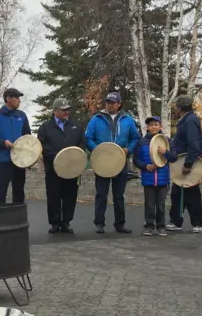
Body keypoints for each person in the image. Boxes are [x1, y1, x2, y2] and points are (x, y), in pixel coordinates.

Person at [85, 92, 140, 234]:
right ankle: (99, 223)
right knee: (101, 194)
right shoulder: (96, 119)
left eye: (112, 102)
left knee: (119, 195)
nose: (109, 104)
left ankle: (120, 224)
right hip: (102, 162)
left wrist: (129, 149)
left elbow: (135, 137)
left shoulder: (127, 119)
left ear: (119, 104)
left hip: (120, 161)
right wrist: (97, 150)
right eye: (108, 102)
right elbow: (88, 138)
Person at [37, 98, 86, 234]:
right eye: (63, 110)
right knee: (53, 195)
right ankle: (55, 222)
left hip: (72, 168)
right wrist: (57, 157)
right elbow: (42, 145)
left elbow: (82, 142)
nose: (66, 112)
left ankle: (66, 222)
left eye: (67, 109)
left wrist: (76, 155)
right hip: (53, 168)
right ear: (55, 111)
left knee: (70, 195)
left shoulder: (76, 125)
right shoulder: (45, 127)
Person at [132, 116, 178, 237]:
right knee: (149, 204)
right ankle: (149, 226)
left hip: (163, 180)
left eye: (156, 124)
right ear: (147, 127)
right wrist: (146, 166)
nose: (153, 127)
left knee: (161, 205)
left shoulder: (167, 140)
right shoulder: (141, 142)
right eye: (151, 125)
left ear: (160, 126)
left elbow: (174, 157)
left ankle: (161, 227)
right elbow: (136, 159)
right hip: (148, 179)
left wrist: (165, 152)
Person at [0, 88, 32, 206]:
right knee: (2, 189)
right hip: (4, 160)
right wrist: (3, 143)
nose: (19, 101)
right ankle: (0, 217)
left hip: (20, 161)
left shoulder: (22, 116)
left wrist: (30, 157)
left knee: (19, 190)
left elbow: (28, 138)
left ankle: (18, 217)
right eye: (16, 98)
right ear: (8, 99)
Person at [167, 95, 202, 233]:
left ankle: (197, 223)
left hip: (188, 163)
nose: (175, 109)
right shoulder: (187, 120)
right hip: (181, 161)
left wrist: (188, 164)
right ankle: (177, 221)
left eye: (176, 106)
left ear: (180, 108)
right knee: (177, 193)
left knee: (192, 193)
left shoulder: (189, 121)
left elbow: (194, 144)